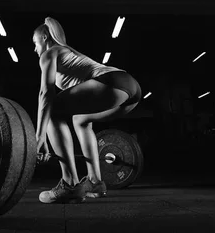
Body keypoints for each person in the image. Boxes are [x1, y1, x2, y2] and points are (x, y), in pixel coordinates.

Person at [33, 17, 142, 204]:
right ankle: (95, 182)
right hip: (131, 90)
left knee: (53, 109)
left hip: (111, 83)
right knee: (80, 120)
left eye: (35, 43)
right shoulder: (71, 56)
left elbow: (45, 93)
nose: (35, 49)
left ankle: (69, 184)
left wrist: (40, 136)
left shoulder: (50, 53)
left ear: (44, 37)